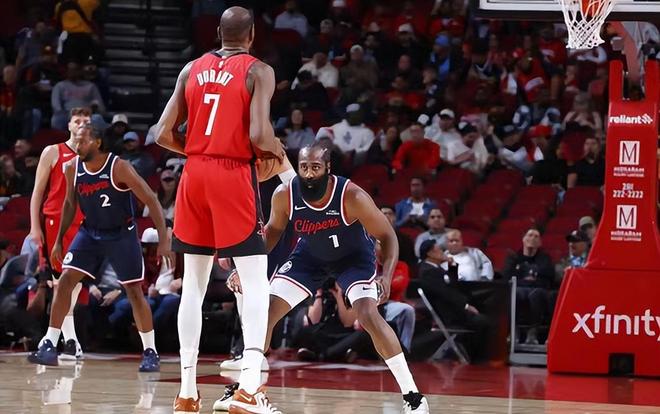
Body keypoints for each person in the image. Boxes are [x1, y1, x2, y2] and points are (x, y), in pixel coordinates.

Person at [221, 144, 430, 413]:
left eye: (315, 167)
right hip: (310, 256)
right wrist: (244, 268)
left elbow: (388, 236)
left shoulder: (352, 196)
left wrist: (386, 277)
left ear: (328, 168)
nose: (309, 173)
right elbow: (272, 233)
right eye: (304, 167)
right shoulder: (285, 194)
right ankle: (247, 389)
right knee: (266, 312)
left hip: (353, 258)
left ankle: (413, 396)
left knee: (368, 314)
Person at [151, 7, 288, 413]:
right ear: (252, 35)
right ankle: (248, 388)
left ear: (218, 33)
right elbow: (259, 134)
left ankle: (187, 392)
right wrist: (277, 151)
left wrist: (200, 151)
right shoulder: (258, 70)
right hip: (232, 174)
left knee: (192, 286)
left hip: (193, 173)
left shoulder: (190, 68)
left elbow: (161, 133)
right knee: (255, 282)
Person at [27, 124, 172, 373]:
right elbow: (70, 204)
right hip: (90, 232)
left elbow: (151, 199)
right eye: (75, 140)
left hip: (121, 233)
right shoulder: (72, 167)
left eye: (82, 141)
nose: (77, 146)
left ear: (97, 143)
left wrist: (163, 240)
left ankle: (150, 351)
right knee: (65, 280)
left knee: (134, 292)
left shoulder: (119, 167)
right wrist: (59, 239)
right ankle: (50, 343)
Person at [28, 107, 90, 360]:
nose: (82, 125)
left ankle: (67, 341)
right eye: (77, 121)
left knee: (73, 284)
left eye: (86, 121)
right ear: (69, 125)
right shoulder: (52, 151)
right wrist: (35, 226)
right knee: (60, 282)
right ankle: (69, 341)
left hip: (83, 224)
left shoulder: (93, 155)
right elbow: (37, 192)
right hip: (55, 220)